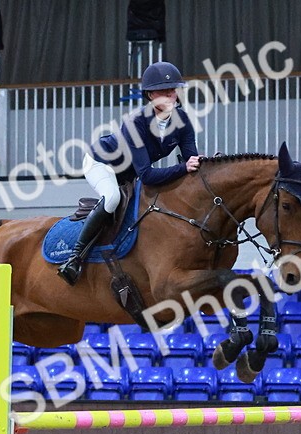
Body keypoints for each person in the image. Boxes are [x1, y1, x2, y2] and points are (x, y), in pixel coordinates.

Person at [57, 60, 202, 286]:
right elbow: (147, 175)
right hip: (102, 163)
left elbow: (191, 162)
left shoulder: (182, 122)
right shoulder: (136, 123)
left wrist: (200, 166)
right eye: (165, 91)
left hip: (129, 172)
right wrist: (184, 167)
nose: (172, 95)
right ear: (151, 95)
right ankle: (75, 258)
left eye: (174, 90)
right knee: (113, 198)